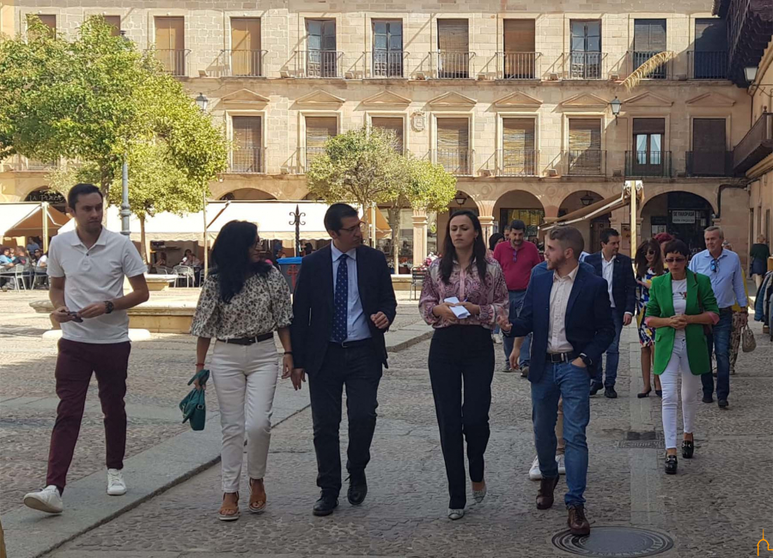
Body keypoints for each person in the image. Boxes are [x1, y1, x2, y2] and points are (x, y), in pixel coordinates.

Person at [23, 183, 149, 514]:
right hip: (74, 341)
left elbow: (142, 293)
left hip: (112, 342)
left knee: (113, 407)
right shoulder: (61, 244)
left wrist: (109, 305)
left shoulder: (121, 245)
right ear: (72, 212)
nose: (94, 214)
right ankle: (53, 487)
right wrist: (58, 308)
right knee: (68, 411)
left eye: (98, 207)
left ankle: (115, 469)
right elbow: (56, 287)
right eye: (87, 209)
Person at [498, 226, 614, 536]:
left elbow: (606, 331)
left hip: (573, 368)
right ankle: (548, 477)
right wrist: (510, 327)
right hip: (542, 368)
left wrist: (584, 360)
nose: (543, 253)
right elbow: (528, 318)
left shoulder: (593, 285)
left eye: (549, 248)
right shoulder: (539, 278)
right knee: (542, 430)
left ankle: (575, 503)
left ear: (567, 253)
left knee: (575, 436)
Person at [290, 203, 397, 517]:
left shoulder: (374, 260)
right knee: (325, 425)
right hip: (324, 355)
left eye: (358, 226)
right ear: (333, 233)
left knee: (363, 416)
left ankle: (357, 467)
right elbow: (300, 315)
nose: (358, 233)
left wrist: (385, 316)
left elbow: (388, 301)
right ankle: (329, 489)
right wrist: (296, 359)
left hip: (364, 351)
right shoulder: (313, 264)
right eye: (351, 229)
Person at [190, 220, 294, 521]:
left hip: (263, 353)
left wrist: (288, 352)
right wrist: (200, 369)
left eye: (259, 240)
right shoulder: (216, 280)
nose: (260, 246)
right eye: (253, 242)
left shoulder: (270, 275)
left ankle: (257, 478)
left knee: (258, 424)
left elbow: (283, 317)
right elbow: (204, 326)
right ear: (238, 247)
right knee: (232, 427)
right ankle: (230, 490)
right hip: (226, 355)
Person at [419, 210, 508, 520]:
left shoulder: (492, 268)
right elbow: (425, 303)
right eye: (453, 228)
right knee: (448, 421)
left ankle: (477, 467)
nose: (458, 233)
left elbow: (502, 307)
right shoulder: (435, 269)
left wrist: (476, 310)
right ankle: (456, 495)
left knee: (475, 418)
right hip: (444, 346)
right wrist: (438, 310)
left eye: (464, 228)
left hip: (477, 345)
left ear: (475, 233)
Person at [645, 239, 719, 475]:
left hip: (692, 343)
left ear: (687, 259)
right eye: (669, 259)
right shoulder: (658, 284)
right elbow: (649, 318)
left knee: (688, 395)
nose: (674, 264)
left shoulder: (700, 281)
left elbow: (713, 314)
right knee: (668, 397)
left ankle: (688, 433)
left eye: (678, 259)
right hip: (667, 344)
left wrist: (690, 319)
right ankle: (670, 449)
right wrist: (668, 321)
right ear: (664, 261)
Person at [688, 226, 748, 409]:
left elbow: (737, 283)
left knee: (722, 353)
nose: (709, 243)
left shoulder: (733, 259)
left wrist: (743, 307)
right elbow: (690, 284)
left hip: (723, 313)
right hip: (703, 313)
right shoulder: (698, 260)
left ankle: (722, 394)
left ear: (721, 240)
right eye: (707, 239)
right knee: (705, 353)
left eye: (713, 239)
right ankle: (707, 391)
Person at [584, 228, 637, 398]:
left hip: (616, 310)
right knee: (596, 346)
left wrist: (629, 310)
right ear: (603, 244)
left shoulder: (624, 262)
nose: (616, 246)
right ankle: (597, 380)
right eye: (613, 243)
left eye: (618, 243)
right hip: (595, 311)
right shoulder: (590, 261)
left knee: (613, 347)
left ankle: (610, 384)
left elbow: (630, 288)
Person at [492, 220, 542, 376]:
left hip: (525, 293)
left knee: (523, 328)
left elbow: (537, 270)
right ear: (509, 233)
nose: (517, 237)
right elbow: (494, 270)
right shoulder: (500, 248)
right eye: (514, 234)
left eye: (520, 234)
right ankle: (509, 360)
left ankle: (524, 363)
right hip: (505, 294)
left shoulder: (531, 248)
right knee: (506, 327)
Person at [634, 239, 664, 398]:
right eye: (645, 253)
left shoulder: (663, 272)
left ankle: (657, 380)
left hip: (656, 312)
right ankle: (646, 385)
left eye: (651, 252)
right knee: (645, 347)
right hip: (642, 312)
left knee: (655, 347)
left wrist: (651, 287)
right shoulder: (640, 271)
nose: (648, 255)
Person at [722, 240, 750, 375]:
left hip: (735, 309)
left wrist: (744, 308)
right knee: (724, 340)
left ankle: (730, 365)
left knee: (733, 339)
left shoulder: (736, 269)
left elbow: (742, 288)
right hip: (724, 309)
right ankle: (723, 365)